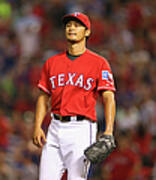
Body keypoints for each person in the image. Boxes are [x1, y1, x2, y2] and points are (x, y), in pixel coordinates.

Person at [33, 12, 116, 180]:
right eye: (69, 25)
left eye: (77, 25)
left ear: (87, 32)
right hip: (54, 127)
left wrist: (108, 130)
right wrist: (37, 125)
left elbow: (108, 98)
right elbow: (43, 97)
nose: (71, 28)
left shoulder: (99, 63)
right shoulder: (52, 62)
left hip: (81, 128)